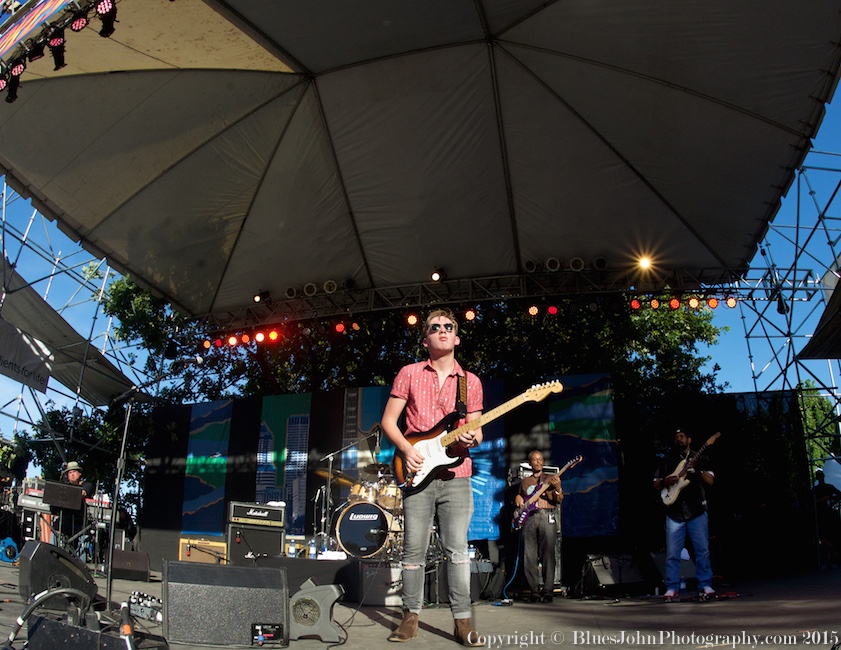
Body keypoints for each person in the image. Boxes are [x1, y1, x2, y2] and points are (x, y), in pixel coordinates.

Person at [382, 309, 484, 646]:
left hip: (457, 473)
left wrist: (473, 437)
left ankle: (463, 621)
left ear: (456, 337)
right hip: (416, 472)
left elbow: (477, 428)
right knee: (413, 549)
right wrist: (406, 450)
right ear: (426, 339)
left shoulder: (471, 382)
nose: (441, 330)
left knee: (457, 550)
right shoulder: (409, 373)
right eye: (434, 327)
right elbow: (389, 422)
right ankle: (410, 618)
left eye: (448, 327)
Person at [653, 429, 715, 601]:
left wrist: (698, 469)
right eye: (676, 437)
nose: (678, 439)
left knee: (702, 550)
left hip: (697, 511)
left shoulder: (700, 458)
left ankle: (705, 584)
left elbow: (710, 481)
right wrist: (666, 481)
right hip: (674, 512)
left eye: (681, 436)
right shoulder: (668, 460)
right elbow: (655, 483)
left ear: (689, 439)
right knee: (673, 553)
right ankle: (672, 587)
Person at [514, 450, 562, 602]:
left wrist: (558, 488)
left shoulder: (550, 479)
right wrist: (518, 498)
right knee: (529, 556)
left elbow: (559, 499)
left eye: (540, 459)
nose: (538, 462)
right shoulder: (525, 482)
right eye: (535, 460)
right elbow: (520, 495)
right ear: (530, 463)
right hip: (530, 519)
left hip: (546, 515)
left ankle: (548, 591)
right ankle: (534, 592)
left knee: (548, 555)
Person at [55, 460, 94, 559]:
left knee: (85, 536)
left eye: (74, 472)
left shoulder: (87, 485)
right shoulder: (64, 486)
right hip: (66, 521)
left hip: (80, 523)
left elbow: (82, 493)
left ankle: (81, 568)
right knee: (54, 528)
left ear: (79, 474)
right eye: (70, 473)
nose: (72, 475)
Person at [813, 469, 841, 568]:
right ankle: (833, 552)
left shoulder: (828, 487)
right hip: (821, 515)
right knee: (823, 537)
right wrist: (822, 500)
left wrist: (833, 501)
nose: (820, 478)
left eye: (821, 476)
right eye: (818, 476)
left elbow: (839, 494)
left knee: (831, 535)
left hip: (829, 514)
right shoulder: (815, 490)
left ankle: (831, 557)